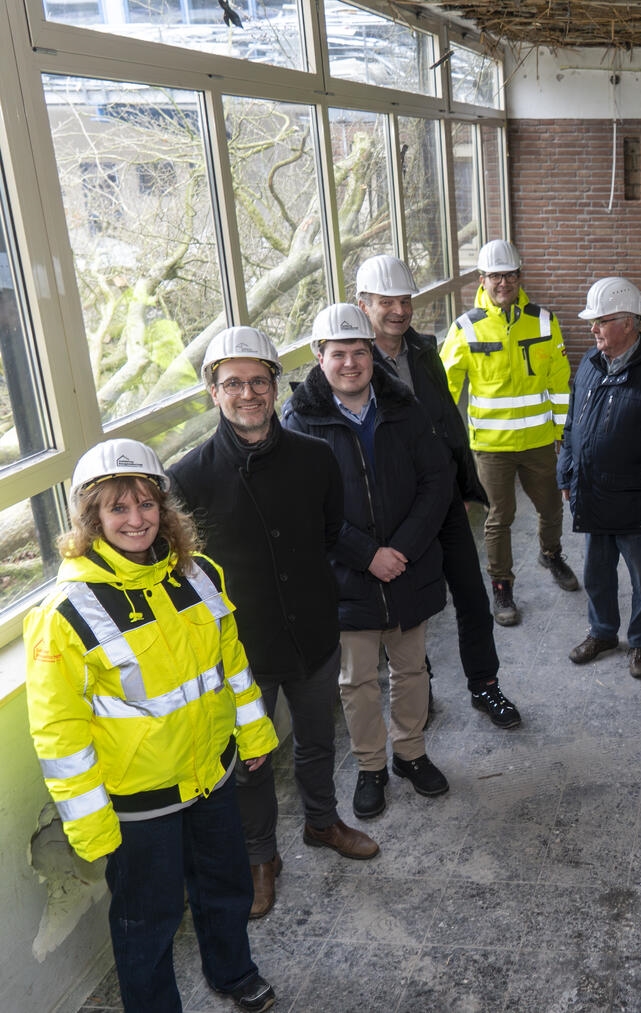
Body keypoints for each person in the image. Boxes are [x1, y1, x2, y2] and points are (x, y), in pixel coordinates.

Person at [25, 439, 279, 1013]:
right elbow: (59, 732)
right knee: (148, 918)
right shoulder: (65, 613)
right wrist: (91, 827)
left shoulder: (199, 574)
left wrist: (255, 733)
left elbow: (230, 665)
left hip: (211, 774)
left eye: (146, 504)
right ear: (92, 520)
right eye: (118, 508)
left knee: (227, 885)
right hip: (139, 802)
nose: (136, 520)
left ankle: (234, 974)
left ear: (165, 510)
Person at [170, 327, 378, 922]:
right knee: (251, 762)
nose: (248, 393)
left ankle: (322, 822)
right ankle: (261, 858)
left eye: (258, 381)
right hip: (241, 653)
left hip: (313, 631)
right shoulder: (188, 479)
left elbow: (329, 532)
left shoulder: (315, 457)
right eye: (232, 383)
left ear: (273, 385)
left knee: (317, 741)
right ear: (213, 393)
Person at [282, 304, 452, 820]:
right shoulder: (299, 421)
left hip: (408, 565)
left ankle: (411, 754)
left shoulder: (404, 407)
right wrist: (367, 555)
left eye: (360, 352)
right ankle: (371, 767)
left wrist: (401, 550)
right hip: (347, 576)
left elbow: (437, 480)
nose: (351, 363)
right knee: (356, 681)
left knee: (411, 669)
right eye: (339, 354)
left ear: (372, 354)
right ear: (319, 356)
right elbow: (302, 507)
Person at [356, 254, 521, 729]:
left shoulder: (424, 349)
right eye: (387, 302)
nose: (399, 311)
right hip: (396, 512)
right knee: (408, 612)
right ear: (363, 304)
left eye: (405, 300)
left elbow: (447, 418)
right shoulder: (355, 363)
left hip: (444, 500)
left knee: (472, 597)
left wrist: (464, 482)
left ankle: (485, 687)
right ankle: (417, 694)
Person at [441, 239, 578, 626]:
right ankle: (501, 584)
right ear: (482, 280)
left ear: (520, 278)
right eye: (495, 275)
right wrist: (445, 444)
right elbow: (445, 390)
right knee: (499, 517)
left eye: (510, 275)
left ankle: (550, 554)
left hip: (538, 442)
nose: (503, 282)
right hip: (491, 448)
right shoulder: (465, 328)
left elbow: (559, 381)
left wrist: (561, 433)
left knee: (552, 508)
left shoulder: (544, 322)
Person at [559, 277, 641, 679]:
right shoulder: (589, 366)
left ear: (629, 324)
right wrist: (566, 471)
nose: (593, 329)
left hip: (636, 504)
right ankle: (602, 632)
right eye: (593, 322)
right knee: (596, 574)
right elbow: (572, 425)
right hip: (593, 495)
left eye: (601, 321)